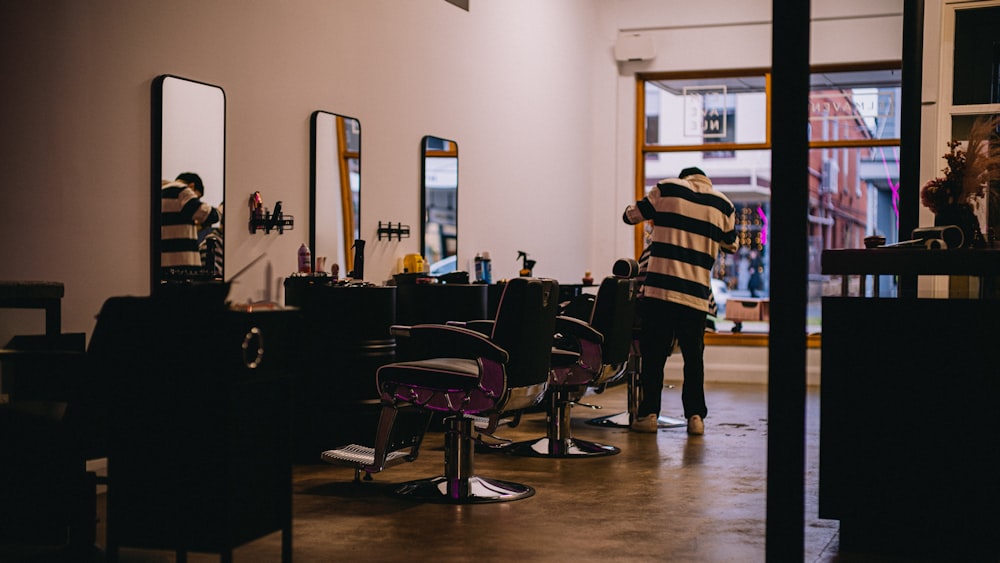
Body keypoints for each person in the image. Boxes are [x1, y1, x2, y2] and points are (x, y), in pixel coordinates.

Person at [623, 167, 736, 435]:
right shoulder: (724, 204)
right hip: (696, 295)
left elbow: (631, 217)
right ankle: (696, 417)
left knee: (654, 357)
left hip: (660, 291)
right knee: (693, 358)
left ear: (684, 178)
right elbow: (731, 246)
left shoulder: (668, 188)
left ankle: (649, 414)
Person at [161, 172, 221, 280]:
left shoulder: (162, 192)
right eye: (197, 197)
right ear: (192, 186)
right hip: (182, 267)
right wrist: (220, 211)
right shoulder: (182, 191)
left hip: (164, 265)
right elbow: (210, 215)